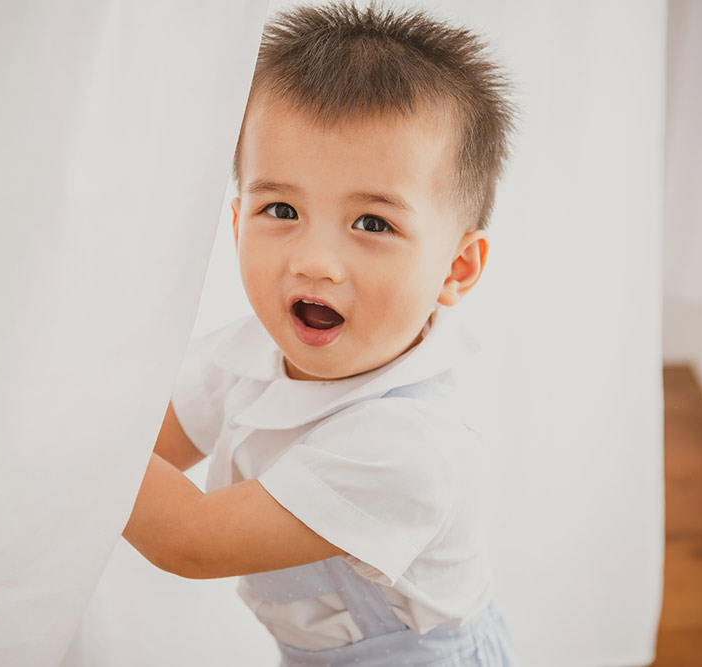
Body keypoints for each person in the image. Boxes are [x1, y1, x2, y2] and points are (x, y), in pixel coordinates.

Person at [123, 3, 518, 665]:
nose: (314, 260)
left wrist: (64, 432)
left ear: (456, 267)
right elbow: (147, 441)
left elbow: (189, 537)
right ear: (237, 221)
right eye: (281, 209)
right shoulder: (245, 351)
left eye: (372, 223)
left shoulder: (410, 447)